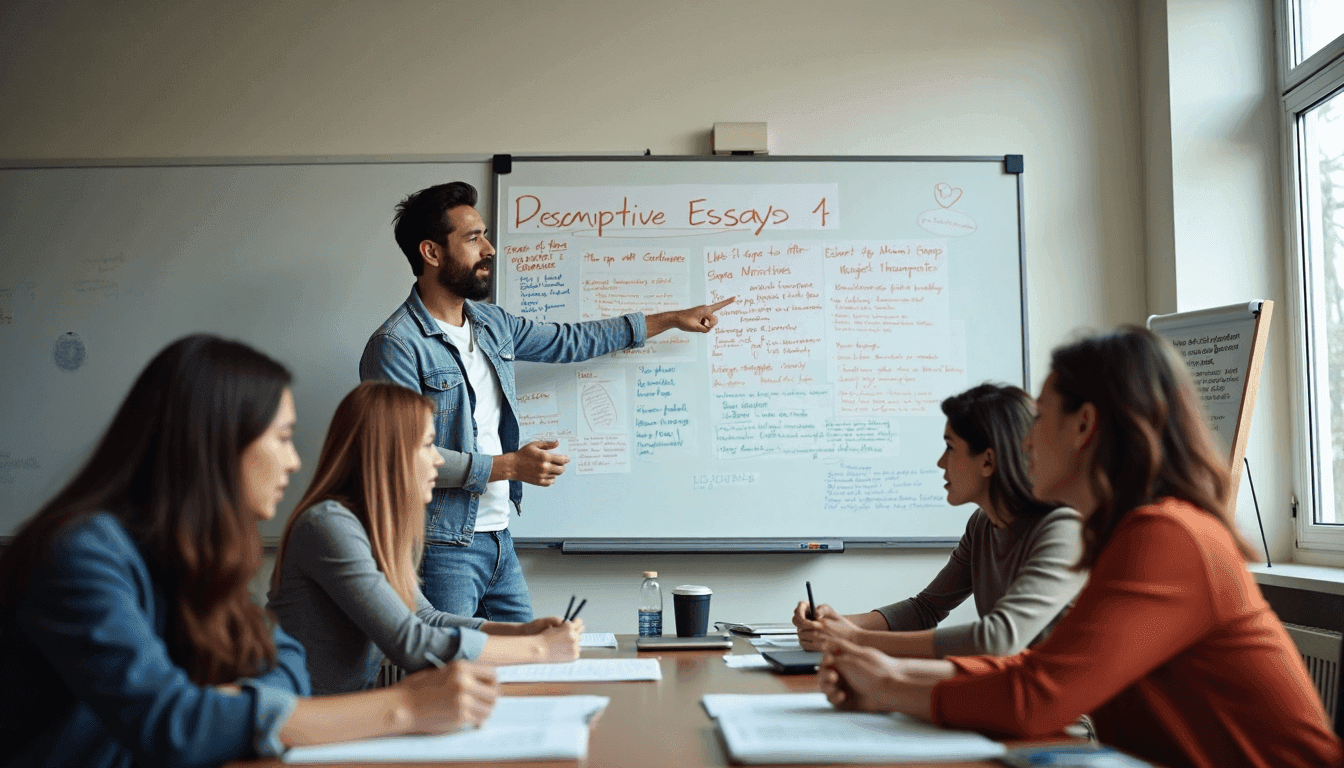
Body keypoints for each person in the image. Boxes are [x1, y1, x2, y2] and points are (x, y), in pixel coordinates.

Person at [820, 327, 1343, 767]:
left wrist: (889, 685)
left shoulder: (1168, 535)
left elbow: (1035, 699)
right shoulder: (1126, 532)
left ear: (1085, 425)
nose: (1024, 442)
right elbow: (1045, 667)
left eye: (1041, 417)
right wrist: (892, 676)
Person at [0, 335, 498, 768]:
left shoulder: (195, 551)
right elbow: (170, 724)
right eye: (282, 438)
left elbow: (286, 663)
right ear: (217, 443)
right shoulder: (81, 554)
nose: (294, 460)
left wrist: (220, 705)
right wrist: (405, 707)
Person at [360, 181, 733, 621]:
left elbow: (571, 341)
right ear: (432, 252)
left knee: (530, 669)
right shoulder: (396, 346)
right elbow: (401, 457)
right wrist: (509, 467)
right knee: (447, 676)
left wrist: (670, 320)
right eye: (473, 237)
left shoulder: (491, 324)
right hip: (442, 546)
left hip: (499, 538)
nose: (490, 248)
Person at [269, 381, 584, 695]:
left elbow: (425, 618)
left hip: (343, 721)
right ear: (390, 453)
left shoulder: (373, 528)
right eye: (428, 445)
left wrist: (522, 632)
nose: (438, 460)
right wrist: (539, 649)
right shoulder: (329, 525)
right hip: (308, 726)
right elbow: (411, 642)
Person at [792, 383, 1087, 659]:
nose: (940, 462)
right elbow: (925, 609)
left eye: (950, 446)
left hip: (1063, 712)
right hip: (1006, 696)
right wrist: (836, 624)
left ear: (987, 461)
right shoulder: (982, 524)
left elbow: (997, 638)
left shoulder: (1064, 529)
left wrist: (853, 639)